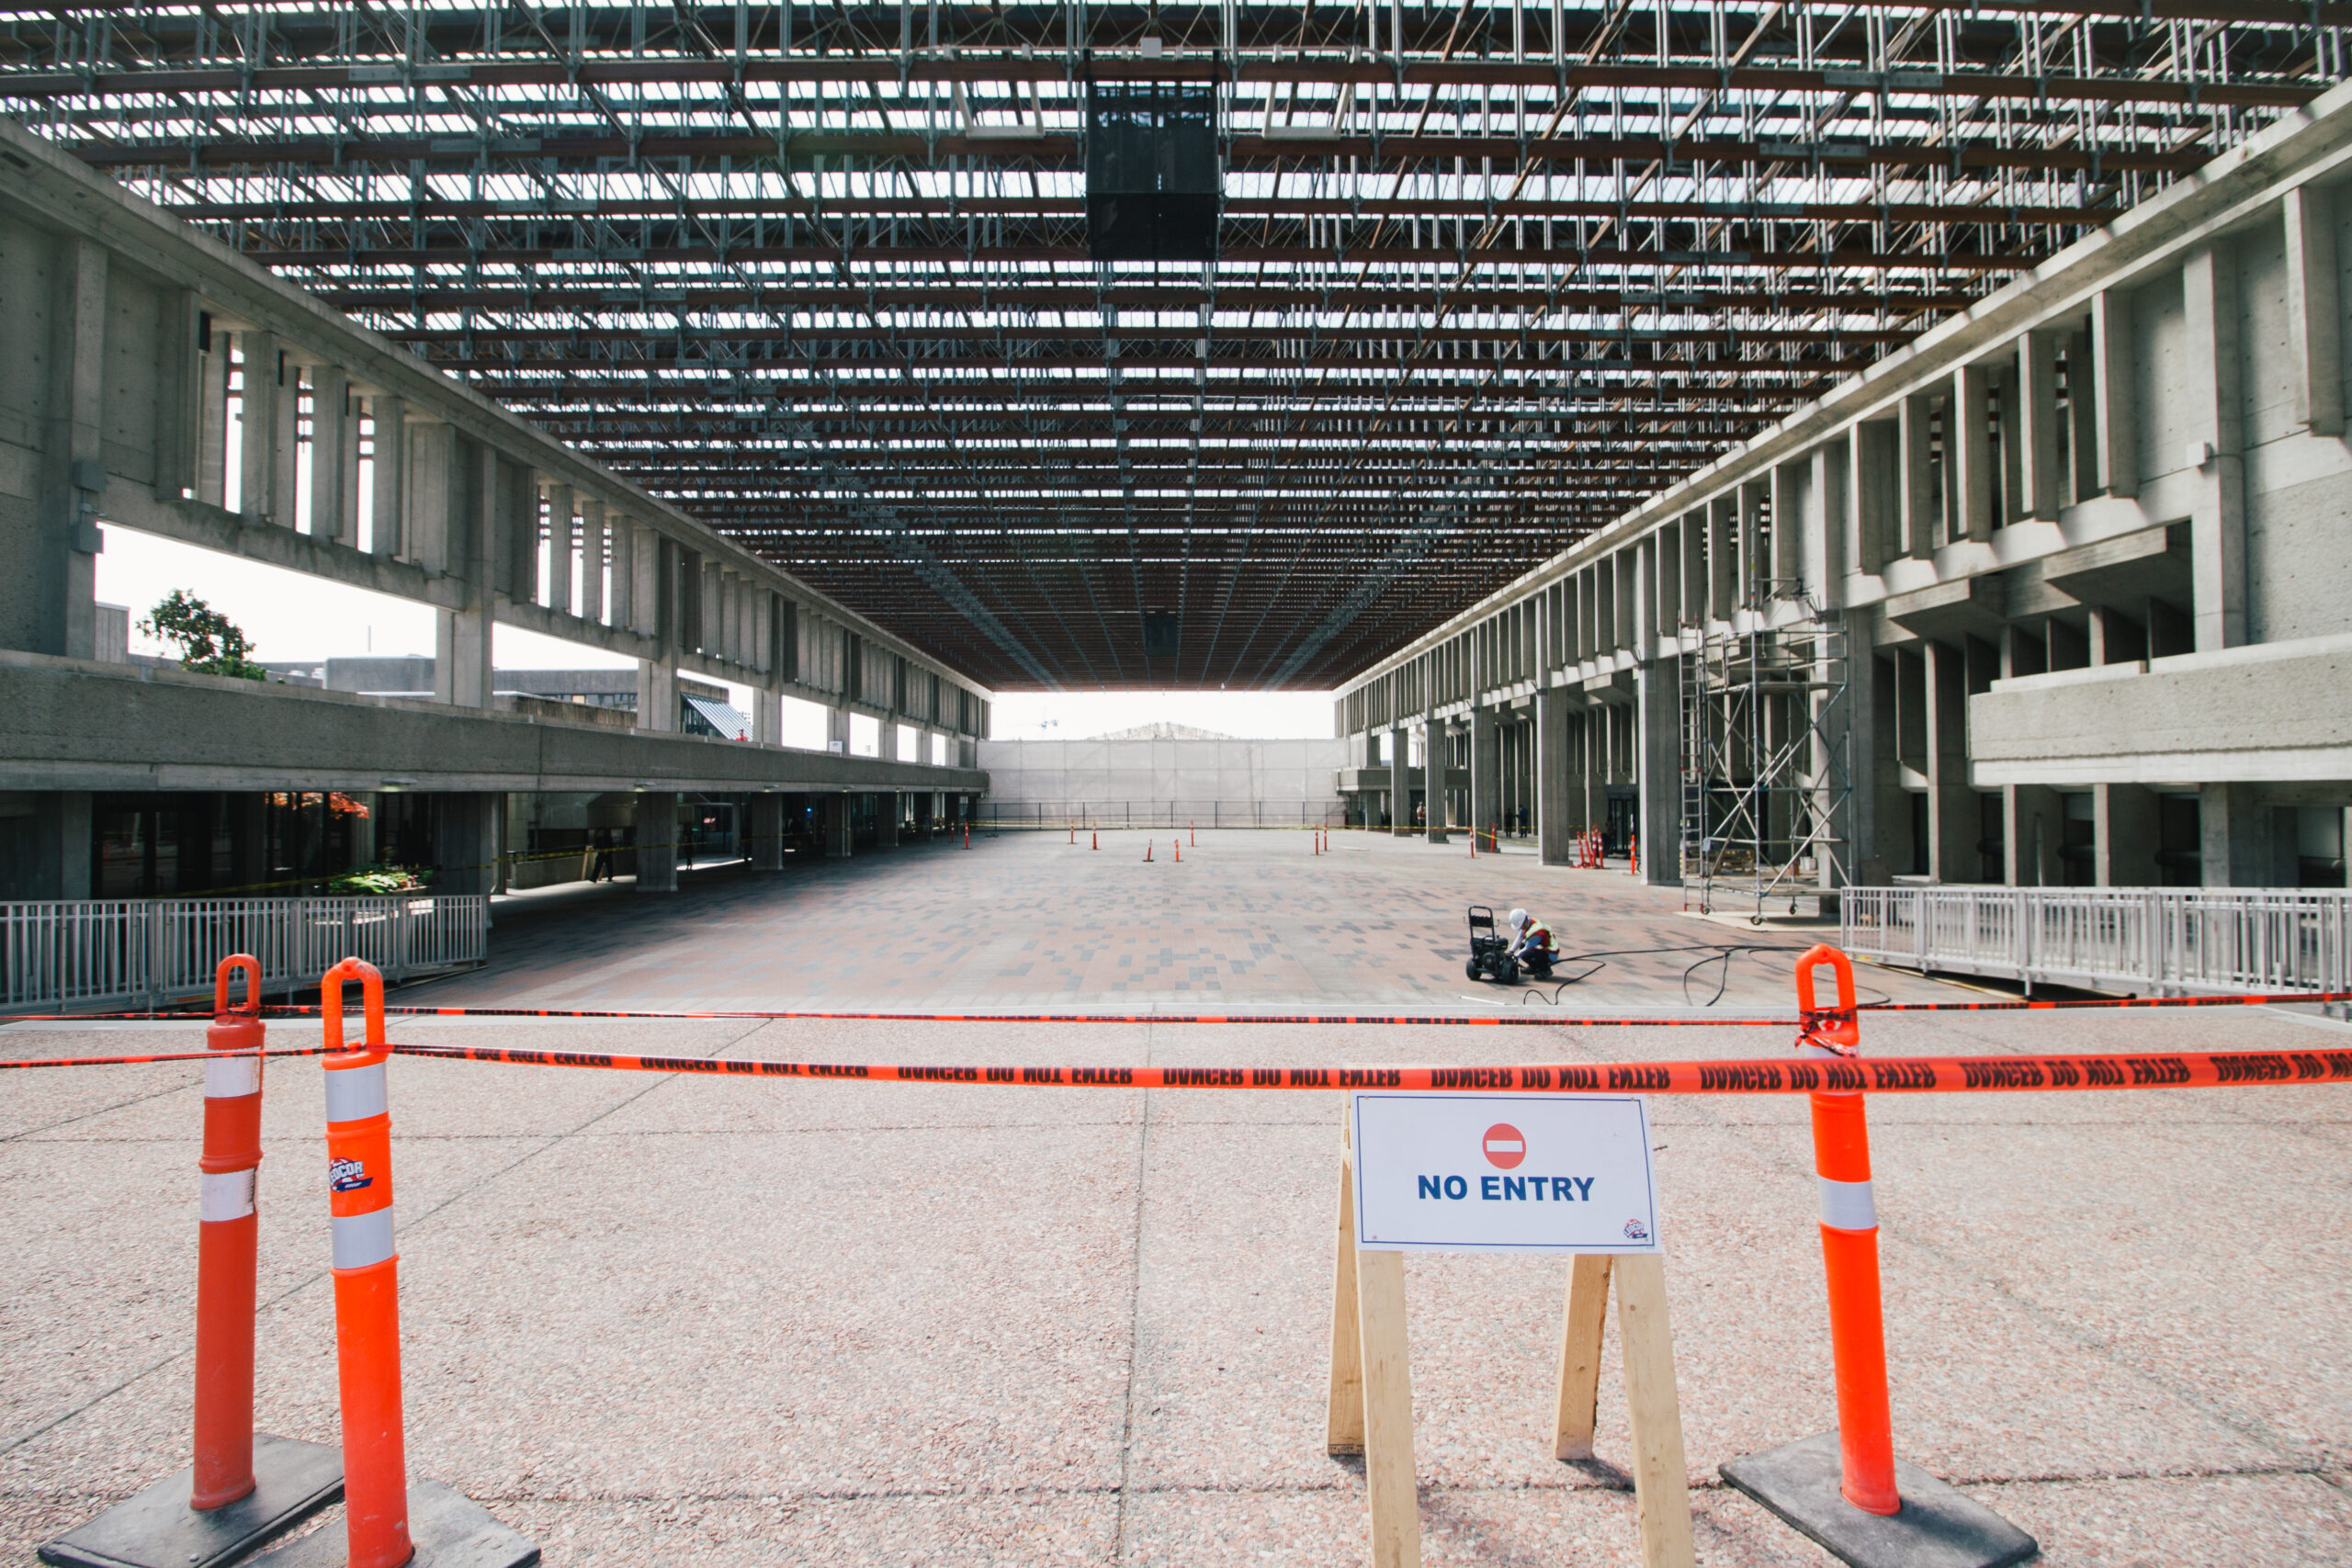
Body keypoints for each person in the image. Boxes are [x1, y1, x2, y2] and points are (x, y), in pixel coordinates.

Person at [1508, 908, 1558, 979]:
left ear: (1524, 921)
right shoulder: (1528, 923)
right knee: (1522, 946)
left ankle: (1545, 970)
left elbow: (1527, 948)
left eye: (1520, 926)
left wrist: (1514, 957)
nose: (1520, 928)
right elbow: (1519, 938)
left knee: (1526, 954)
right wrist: (1511, 951)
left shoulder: (1535, 931)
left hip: (1550, 953)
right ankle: (1533, 967)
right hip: (1543, 948)